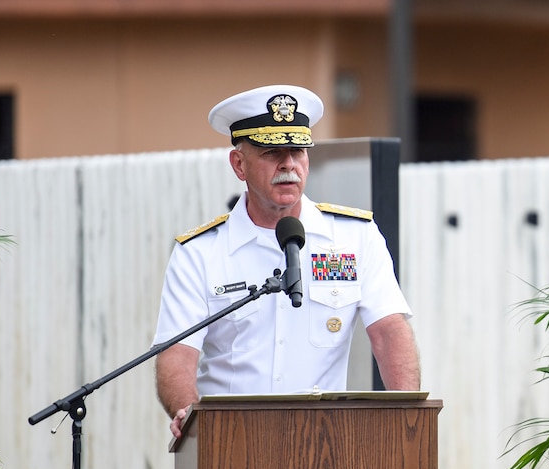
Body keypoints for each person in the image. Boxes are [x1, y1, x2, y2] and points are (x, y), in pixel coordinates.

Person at [152, 84, 420, 438]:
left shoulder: (355, 238)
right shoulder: (199, 253)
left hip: (326, 445)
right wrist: (189, 415)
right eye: (272, 152)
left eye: (298, 151)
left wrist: (408, 421)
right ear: (239, 164)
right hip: (231, 446)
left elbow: (389, 333)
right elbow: (177, 355)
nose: (289, 165)